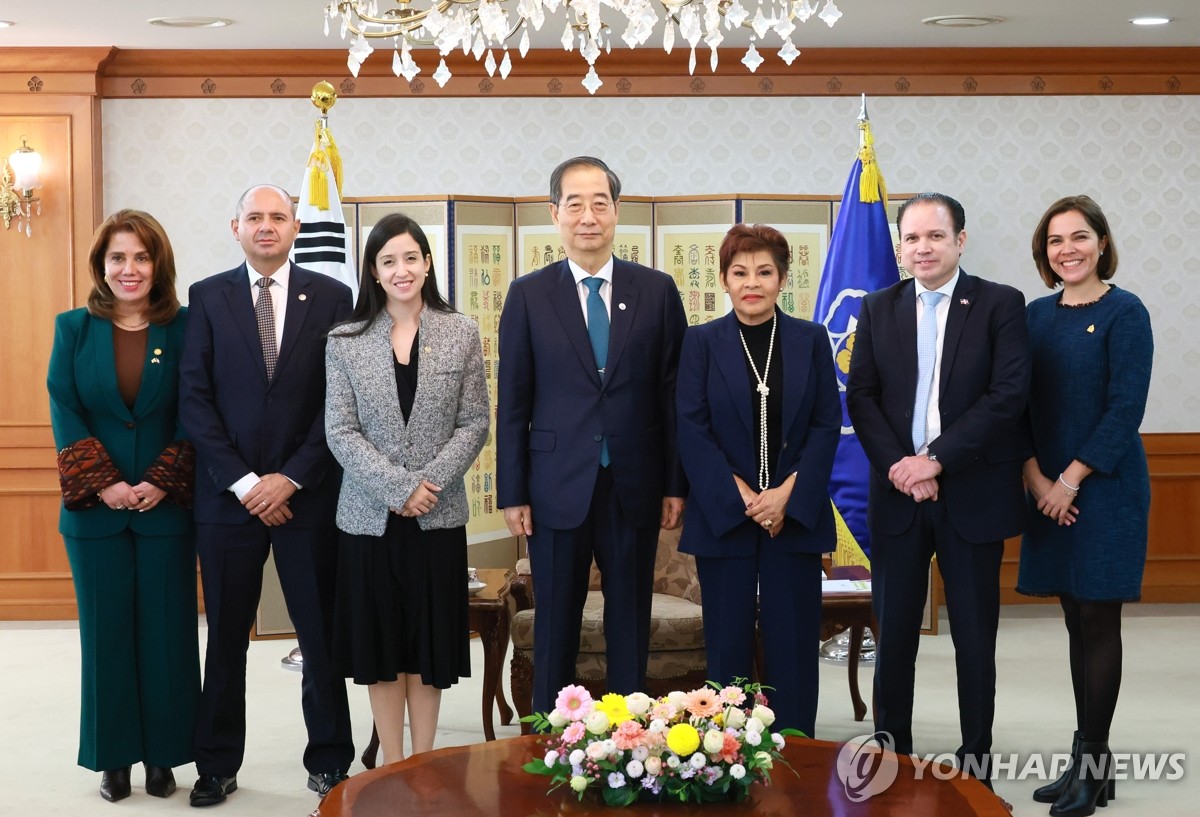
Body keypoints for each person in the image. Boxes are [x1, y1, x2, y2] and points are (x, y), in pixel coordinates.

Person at [846, 192, 1030, 786]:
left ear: (960, 241)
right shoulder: (878, 307)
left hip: (972, 492)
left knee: (975, 639)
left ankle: (976, 756)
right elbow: (863, 397)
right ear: (899, 248)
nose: (922, 248)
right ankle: (892, 751)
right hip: (898, 494)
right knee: (894, 634)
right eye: (912, 238)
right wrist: (903, 465)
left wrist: (936, 462)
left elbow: (1007, 396)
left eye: (935, 236)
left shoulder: (1000, 304)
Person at [179, 184, 355, 806]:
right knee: (226, 636)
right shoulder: (206, 297)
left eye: (277, 217)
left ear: (296, 226)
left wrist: (292, 477)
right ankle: (218, 763)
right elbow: (194, 402)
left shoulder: (334, 297)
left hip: (307, 496)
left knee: (319, 634)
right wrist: (250, 484)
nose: (266, 227)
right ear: (235, 227)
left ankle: (331, 759)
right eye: (254, 217)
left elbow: (341, 401)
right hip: (228, 501)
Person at [497, 156, 688, 714]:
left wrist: (674, 483)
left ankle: (630, 739)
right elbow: (515, 401)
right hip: (555, 484)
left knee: (630, 615)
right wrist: (514, 492)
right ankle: (553, 739)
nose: (588, 216)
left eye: (599, 203)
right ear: (555, 214)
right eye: (574, 204)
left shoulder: (655, 291)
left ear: (617, 211)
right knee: (556, 616)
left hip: (634, 480)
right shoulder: (529, 295)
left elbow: (672, 395)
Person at [47, 209, 200, 803]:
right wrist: (105, 481)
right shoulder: (73, 329)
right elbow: (65, 408)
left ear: (157, 263)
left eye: (141, 257)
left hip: (168, 507)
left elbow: (199, 409)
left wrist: (163, 478)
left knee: (166, 633)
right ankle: (113, 761)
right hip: (94, 512)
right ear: (101, 265)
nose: (129, 269)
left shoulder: (187, 328)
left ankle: (164, 757)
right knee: (105, 635)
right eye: (118, 258)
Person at [325, 213, 488, 764]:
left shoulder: (460, 331)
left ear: (426, 263)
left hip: (437, 517)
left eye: (411, 258)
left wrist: (430, 484)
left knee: (427, 646)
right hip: (369, 520)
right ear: (373, 271)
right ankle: (391, 764)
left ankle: (424, 762)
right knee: (381, 647)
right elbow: (339, 430)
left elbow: (475, 422)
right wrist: (398, 488)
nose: (402, 270)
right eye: (388, 260)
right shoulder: (345, 340)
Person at [675, 224, 840, 735]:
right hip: (726, 516)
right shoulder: (701, 342)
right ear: (723, 280)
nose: (753, 282)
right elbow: (692, 427)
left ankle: (798, 750)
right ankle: (730, 753)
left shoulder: (810, 339)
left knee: (793, 641)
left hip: (795, 514)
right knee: (727, 644)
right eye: (740, 272)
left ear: (783, 279)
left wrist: (788, 494)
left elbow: (826, 424)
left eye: (765, 272)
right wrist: (743, 496)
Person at [1018, 196, 1152, 817]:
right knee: (1076, 621)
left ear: (1101, 242)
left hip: (1106, 488)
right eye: (1054, 241)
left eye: (1078, 237)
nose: (1066, 249)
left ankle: (1093, 766)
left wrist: (1069, 480)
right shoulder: (1034, 317)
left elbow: (1126, 408)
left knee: (1099, 622)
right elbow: (1014, 405)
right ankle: (1087, 765)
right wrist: (1038, 480)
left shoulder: (1126, 312)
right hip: (1047, 492)